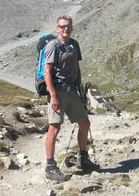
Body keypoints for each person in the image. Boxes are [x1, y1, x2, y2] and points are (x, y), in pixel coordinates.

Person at [43, 15, 98, 182]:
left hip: (73, 91)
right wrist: (53, 96)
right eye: (62, 26)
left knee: (85, 123)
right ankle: (50, 167)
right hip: (58, 91)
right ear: (57, 28)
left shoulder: (74, 45)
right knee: (54, 128)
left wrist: (80, 90)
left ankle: (83, 158)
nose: (65, 29)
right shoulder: (53, 45)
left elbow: (77, 68)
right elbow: (47, 71)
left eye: (68, 26)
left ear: (71, 27)